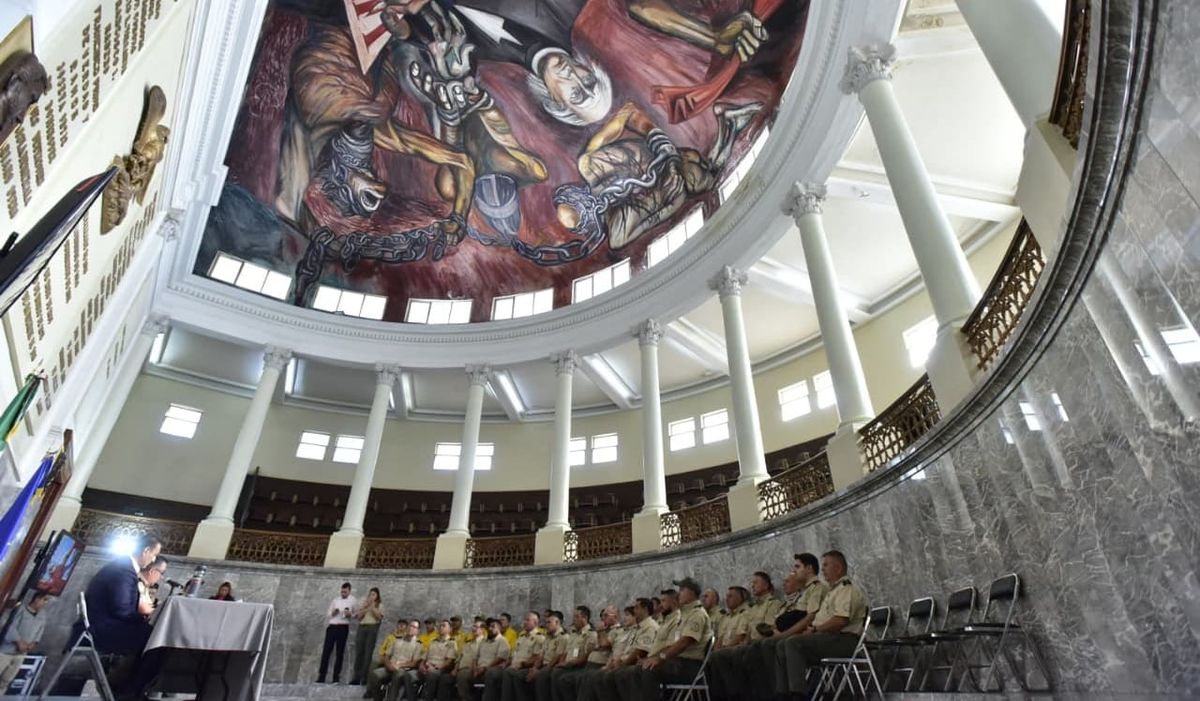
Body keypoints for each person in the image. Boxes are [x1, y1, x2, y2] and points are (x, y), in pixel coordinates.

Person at [75, 533, 162, 698]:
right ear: (145, 551)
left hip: (101, 625)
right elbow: (121, 610)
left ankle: (124, 686)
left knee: (150, 636)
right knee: (156, 641)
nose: (152, 560)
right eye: (154, 555)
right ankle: (130, 692)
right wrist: (145, 617)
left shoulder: (122, 567)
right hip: (100, 629)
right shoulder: (123, 570)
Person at [776, 550, 868, 696]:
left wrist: (815, 630)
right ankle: (783, 693)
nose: (822, 569)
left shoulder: (846, 589)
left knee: (793, 643)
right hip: (827, 639)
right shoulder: (833, 591)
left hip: (845, 641)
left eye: (826, 565)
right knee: (782, 644)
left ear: (838, 568)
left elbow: (840, 620)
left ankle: (798, 694)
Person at [614, 582, 711, 701]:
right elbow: (673, 643)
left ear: (691, 593)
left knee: (648, 671)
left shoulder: (697, 614)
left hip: (689, 665)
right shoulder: (686, 614)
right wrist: (653, 658)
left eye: (682, 590)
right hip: (677, 662)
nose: (678, 594)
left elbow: (684, 642)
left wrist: (660, 658)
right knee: (634, 671)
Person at [579, 599, 657, 701]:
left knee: (605, 677)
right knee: (592, 677)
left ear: (645, 609)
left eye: (637, 607)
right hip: (619, 662)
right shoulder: (637, 628)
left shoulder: (649, 626)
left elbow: (640, 651)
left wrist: (621, 664)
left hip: (633, 664)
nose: (634, 610)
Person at [554, 605, 617, 701]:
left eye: (606, 615)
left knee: (583, 679)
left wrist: (600, 631)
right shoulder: (601, 631)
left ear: (616, 617)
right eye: (602, 615)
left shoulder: (615, 631)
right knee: (560, 677)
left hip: (599, 665)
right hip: (589, 664)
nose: (602, 618)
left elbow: (604, 645)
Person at [0, 591, 51, 688]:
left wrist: (34, 643)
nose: (46, 603)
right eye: (44, 600)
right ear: (37, 599)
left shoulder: (42, 615)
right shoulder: (20, 610)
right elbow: (9, 625)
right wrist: (18, 641)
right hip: (5, 651)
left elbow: (40, 631)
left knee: (6, 680)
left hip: (21, 654)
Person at [515, 610, 567, 701]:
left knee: (540, 677)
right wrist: (534, 668)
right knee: (518, 675)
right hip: (542, 666)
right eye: (546, 622)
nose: (546, 625)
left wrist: (540, 671)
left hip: (552, 667)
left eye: (549, 622)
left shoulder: (563, 637)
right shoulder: (547, 637)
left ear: (557, 622)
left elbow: (557, 657)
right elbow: (541, 656)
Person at [547, 605, 597, 699]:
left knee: (563, 678)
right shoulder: (573, 633)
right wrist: (562, 663)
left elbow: (587, 656)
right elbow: (566, 652)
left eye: (577, 617)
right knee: (554, 673)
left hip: (579, 666)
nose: (574, 620)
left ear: (584, 618)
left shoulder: (591, 634)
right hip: (569, 665)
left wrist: (568, 664)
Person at [491, 611, 542, 701]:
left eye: (527, 620)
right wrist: (506, 663)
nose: (524, 622)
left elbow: (537, 657)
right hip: (513, 665)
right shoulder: (521, 636)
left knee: (509, 673)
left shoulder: (539, 637)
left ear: (535, 622)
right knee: (493, 673)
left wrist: (521, 664)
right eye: (524, 620)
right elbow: (514, 653)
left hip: (525, 667)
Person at [456, 618, 508, 700]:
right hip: (479, 670)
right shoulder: (484, 641)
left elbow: (500, 658)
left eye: (493, 627)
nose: (490, 629)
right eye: (489, 627)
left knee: (490, 674)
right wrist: (475, 669)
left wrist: (485, 668)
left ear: (499, 628)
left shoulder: (502, 641)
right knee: (462, 674)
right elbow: (475, 657)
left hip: (492, 669)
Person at [318, 582, 358, 683]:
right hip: (332, 626)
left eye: (345, 591)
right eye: (342, 591)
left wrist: (350, 614)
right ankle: (321, 676)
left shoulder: (353, 601)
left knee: (339, 653)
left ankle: (336, 677)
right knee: (326, 652)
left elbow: (357, 614)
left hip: (343, 627)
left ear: (349, 591)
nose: (343, 593)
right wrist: (333, 612)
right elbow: (328, 613)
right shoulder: (335, 600)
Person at [381, 619, 424, 701]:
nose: (411, 628)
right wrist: (389, 665)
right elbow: (386, 656)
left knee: (398, 674)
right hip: (390, 667)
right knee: (375, 675)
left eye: (414, 627)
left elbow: (414, 663)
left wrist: (399, 665)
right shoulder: (396, 640)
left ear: (417, 631)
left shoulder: (418, 645)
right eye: (410, 626)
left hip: (404, 669)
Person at [366, 619, 409, 701]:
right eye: (399, 624)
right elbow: (382, 650)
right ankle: (369, 690)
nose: (401, 627)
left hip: (396, 660)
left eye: (403, 625)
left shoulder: (406, 638)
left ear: (406, 627)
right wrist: (384, 658)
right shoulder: (390, 637)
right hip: (386, 658)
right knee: (374, 663)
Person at [419, 620, 459, 701]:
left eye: (444, 626)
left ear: (450, 629)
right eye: (440, 626)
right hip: (427, 667)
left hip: (441, 669)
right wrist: (421, 666)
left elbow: (449, 661)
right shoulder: (432, 642)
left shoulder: (452, 642)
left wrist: (435, 668)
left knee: (432, 674)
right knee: (408, 675)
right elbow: (424, 657)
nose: (441, 627)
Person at [353, 587, 386, 685]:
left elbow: (379, 617)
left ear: (377, 596)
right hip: (362, 627)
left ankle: (364, 677)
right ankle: (356, 677)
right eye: (370, 594)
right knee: (359, 652)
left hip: (372, 628)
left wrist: (372, 607)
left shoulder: (380, 605)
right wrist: (365, 608)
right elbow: (358, 617)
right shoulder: (364, 605)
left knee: (368, 653)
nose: (371, 596)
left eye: (374, 594)